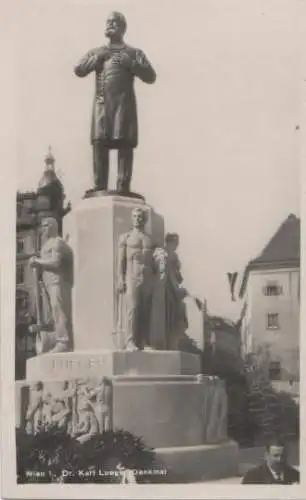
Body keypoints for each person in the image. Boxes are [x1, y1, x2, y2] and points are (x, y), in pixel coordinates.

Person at [74, 11, 156, 194]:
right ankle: (99, 185)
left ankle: (123, 186)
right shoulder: (97, 52)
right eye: (108, 22)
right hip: (102, 104)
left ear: (122, 28)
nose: (110, 25)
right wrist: (96, 59)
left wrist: (131, 64)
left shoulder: (134, 53)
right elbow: (78, 70)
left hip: (123, 105)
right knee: (99, 142)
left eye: (114, 22)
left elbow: (151, 76)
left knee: (125, 143)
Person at [29, 217, 73, 353]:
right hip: (48, 283)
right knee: (53, 313)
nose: (43, 229)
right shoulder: (47, 244)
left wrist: (38, 262)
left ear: (53, 226)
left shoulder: (57, 243)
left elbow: (55, 263)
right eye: (42, 226)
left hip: (57, 282)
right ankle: (57, 339)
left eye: (45, 225)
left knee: (59, 311)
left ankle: (64, 341)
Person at [117, 207, 154, 350]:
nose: (137, 219)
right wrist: (120, 278)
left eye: (140, 216)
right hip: (132, 274)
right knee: (132, 308)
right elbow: (121, 260)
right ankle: (129, 340)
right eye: (135, 216)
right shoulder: (126, 238)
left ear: (144, 219)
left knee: (145, 309)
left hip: (147, 275)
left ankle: (144, 340)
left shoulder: (148, 239)